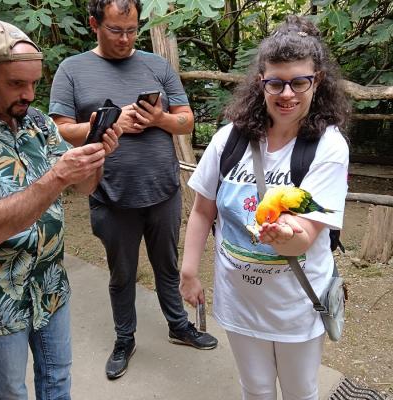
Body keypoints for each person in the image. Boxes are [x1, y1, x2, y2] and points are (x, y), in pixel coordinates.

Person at [180, 15, 350, 400]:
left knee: (299, 392)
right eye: (275, 82)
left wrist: (281, 236)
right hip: (239, 300)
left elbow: (304, 238)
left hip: (295, 305)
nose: (286, 93)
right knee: (255, 389)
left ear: (316, 81)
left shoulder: (327, 147)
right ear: (261, 82)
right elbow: (203, 210)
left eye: (299, 82)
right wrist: (189, 271)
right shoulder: (231, 139)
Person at [49, 0, 218, 381]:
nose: (125, 39)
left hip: (163, 190)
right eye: (115, 30)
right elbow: (59, 129)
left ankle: (179, 325)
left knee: (168, 266)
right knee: (122, 272)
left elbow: (186, 121)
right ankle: (125, 338)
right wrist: (109, 121)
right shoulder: (72, 69)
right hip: (110, 192)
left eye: (132, 30)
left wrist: (159, 118)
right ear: (94, 24)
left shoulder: (158, 65)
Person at [0, 18, 121, 400]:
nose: (30, 94)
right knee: (10, 393)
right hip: (1, 303)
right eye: (16, 84)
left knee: (58, 382)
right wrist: (55, 178)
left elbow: (82, 186)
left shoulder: (37, 123)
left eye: (34, 83)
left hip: (50, 287)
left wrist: (96, 157)